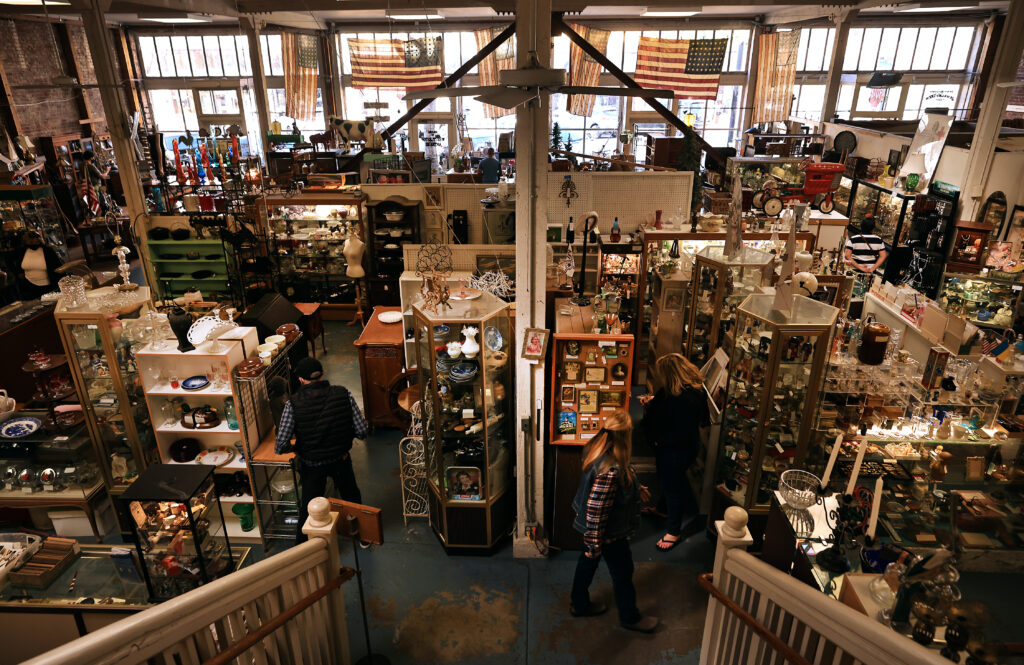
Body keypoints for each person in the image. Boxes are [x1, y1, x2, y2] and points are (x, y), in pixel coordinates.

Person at [570, 410, 658, 633]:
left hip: (599, 529)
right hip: (610, 532)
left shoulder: (597, 447)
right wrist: (594, 542)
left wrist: (636, 488)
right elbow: (597, 510)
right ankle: (630, 617)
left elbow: (617, 482)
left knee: (587, 563)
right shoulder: (610, 470)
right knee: (623, 573)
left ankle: (578, 604)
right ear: (625, 436)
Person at [274, 357, 367, 544]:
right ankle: (363, 537)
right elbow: (362, 431)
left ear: (300, 380)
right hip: (341, 459)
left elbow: (280, 445)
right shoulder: (343, 393)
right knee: (352, 500)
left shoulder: (292, 404)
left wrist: (298, 447)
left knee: (308, 507)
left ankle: (302, 548)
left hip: (312, 465)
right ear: (322, 374)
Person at [640, 354, 710, 551]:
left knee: (672, 488)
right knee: (668, 481)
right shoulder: (696, 391)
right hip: (685, 448)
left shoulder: (675, 397)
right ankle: (662, 510)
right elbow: (702, 420)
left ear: (670, 374)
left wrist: (650, 408)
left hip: (672, 449)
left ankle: (674, 531)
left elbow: (662, 421)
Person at [14, 230, 61, 299]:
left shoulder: (48, 251)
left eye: (38, 237)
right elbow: (18, 267)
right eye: (33, 238)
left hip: (48, 286)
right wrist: (19, 273)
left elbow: (58, 267)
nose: (37, 239)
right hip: (29, 286)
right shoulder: (22, 252)